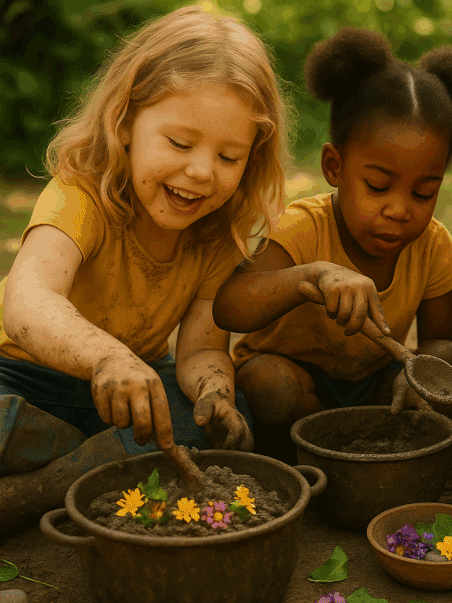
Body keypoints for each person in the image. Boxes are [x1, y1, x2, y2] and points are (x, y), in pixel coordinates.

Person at [0, 6, 288, 534]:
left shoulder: (217, 231)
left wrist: (213, 394)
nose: (201, 172)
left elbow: (201, 347)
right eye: (180, 144)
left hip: (132, 390)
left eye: (229, 157)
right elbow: (26, 303)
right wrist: (107, 356)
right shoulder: (80, 195)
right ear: (125, 123)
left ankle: (46, 483)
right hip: (20, 374)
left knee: (205, 424)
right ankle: (84, 466)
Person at [212, 28, 452, 459]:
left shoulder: (432, 245)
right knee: (270, 384)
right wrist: (313, 276)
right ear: (334, 166)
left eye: (423, 192)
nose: (400, 210)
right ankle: (315, 455)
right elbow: (230, 304)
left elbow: (443, 340)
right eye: (378, 186)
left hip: (373, 383)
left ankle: (369, 453)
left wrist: (420, 371)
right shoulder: (304, 228)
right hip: (293, 381)